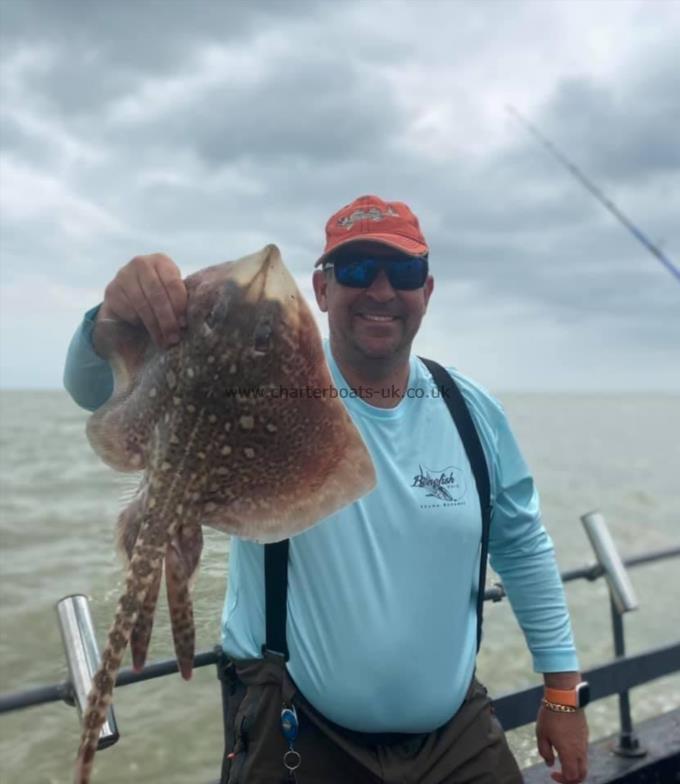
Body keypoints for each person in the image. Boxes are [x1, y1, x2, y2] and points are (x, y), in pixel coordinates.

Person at [64, 194, 589, 784]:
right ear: (321, 291)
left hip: (455, 735)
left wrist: (562, 693)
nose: (382, 290)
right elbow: (93, 386)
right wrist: (111, 317)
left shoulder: (472, 412)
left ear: (428, 292)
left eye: (404, 272)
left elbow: (522, 547)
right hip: (301, 730)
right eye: (358, 270)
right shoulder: (270, 389)